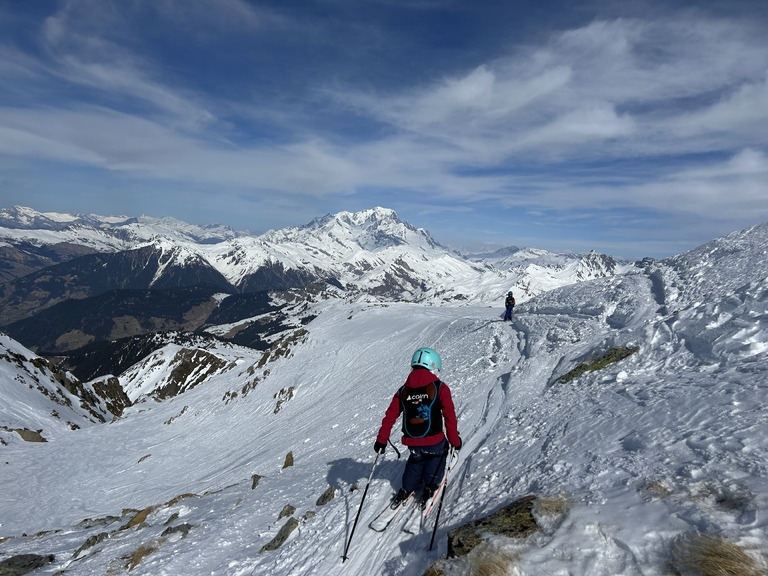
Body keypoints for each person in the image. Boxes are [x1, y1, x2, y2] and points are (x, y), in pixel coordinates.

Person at [374, 347, 461, 509]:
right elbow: (449, 416)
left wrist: (381, 440)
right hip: (434, 440)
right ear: (433, 365)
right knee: (437, 457)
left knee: (416, 460)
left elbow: (390, 416)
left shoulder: (403, 390)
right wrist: (455, 441)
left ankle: (407, 488)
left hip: (412, 442)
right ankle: (430, 486)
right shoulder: (440, 387)